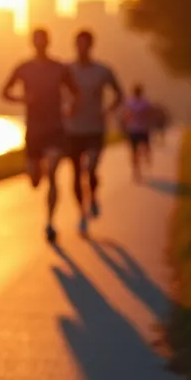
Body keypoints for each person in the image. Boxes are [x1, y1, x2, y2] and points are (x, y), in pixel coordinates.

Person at [1, 28, 81, 243]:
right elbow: (5, 92)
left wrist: (71, 107)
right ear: (32, 43)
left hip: (55, 128)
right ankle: (39, 168)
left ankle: (50, 223)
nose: (40, 45)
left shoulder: (60, 68)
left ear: (48, 42)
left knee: (53, 174)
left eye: (43, 41)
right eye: (36, 41)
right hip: (34, 130)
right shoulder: (24, 68)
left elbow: (76, 93)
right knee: (35, 180)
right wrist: (23, 99)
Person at [63, 30, 123, 231]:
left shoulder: (103, 71)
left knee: (91, 168)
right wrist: (65, 108)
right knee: (76, 172)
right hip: (73, 130)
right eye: (78, 44)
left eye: (85, 44)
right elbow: (56, 94)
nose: (81, 48)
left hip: (95, 128)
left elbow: (119, 94)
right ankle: (81, 211)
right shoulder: (67, 70)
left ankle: (94, 196)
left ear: (91, 46)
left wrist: (107, 112)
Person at [122, 84, 155, 181]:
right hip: (143, 129)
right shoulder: (145, 102)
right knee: (146, 147)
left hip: (133, 130)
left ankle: (136, 169)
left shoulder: (130, 102)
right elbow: (150, 114)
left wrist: (126, 124)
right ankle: (146, 158)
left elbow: (126, 116)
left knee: (134, 150)